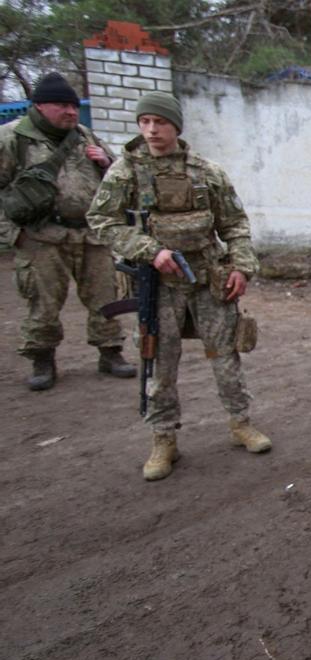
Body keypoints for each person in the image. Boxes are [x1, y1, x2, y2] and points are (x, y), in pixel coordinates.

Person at [87, 92, 272, 481]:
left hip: (208, 278)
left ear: (176, 126)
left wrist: (241, 267)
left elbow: (235, 225)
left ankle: (240, 423)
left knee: (225, 356)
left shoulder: (207, 172)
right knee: (159, 362)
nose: (152, 130)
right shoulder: (126, 172)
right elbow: (102, 221)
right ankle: (163, 437)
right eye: (145, 122)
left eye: (161, 122)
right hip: (159, 285)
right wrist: (149, 250)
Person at [0, 72, 135, 390]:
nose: (71, 112)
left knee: (105, 296)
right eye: (62, 106)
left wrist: (106, 161)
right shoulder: (13, 139)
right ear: (40, 106)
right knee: (43, 302)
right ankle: (42, 359)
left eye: (73, 106)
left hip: (91, 233)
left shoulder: (85, 135)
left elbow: (121, 175)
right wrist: (11, 233)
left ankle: (110, 352)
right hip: (41, 236)